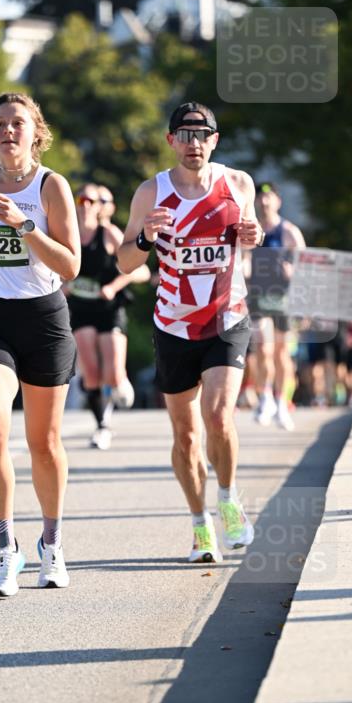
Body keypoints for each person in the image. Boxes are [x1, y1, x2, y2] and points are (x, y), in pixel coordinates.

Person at [118, 101, 264, 564]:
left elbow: (250, 244)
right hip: (174, 324)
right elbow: (124, 262)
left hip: (226, 316)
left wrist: (253, 237)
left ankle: (229, 497)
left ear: (215, 141)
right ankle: (200, 524)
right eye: (184, 135)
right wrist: (144, 238)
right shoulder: (150, 192)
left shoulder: (238, 184)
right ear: (170, 141)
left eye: (202, 135)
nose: (193, 143)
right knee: (185, 436)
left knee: (219, 415)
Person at [0, 92, 80, 598]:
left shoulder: (53, 187)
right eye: (0, 124)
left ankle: (51, 543)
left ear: (36, 133)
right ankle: (6, 551)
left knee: (44, 444)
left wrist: (24, 225)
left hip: (44, 320)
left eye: (18, 124)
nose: (8, 131)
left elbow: (71, 265)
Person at [65, 182, 149, 450]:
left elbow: (137, 267)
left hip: (109, 310)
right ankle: (102, 425)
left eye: (91, 201)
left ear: (100, 207)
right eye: (81, 200)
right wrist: (61, 283)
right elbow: (51, 266)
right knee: (90, 372)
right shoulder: (66, 235)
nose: (86, 206)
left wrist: (113, 287)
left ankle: (119, 381)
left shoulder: (109, 233)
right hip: (80, 309)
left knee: (112, 374)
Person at [247, 182, 306, 429]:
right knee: (263, 348)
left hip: (283, 299)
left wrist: (293, 272)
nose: (264, 202)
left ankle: (282, 403)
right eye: (260, 197)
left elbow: (308, 265)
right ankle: (266, 397)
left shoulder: (289, 231)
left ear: (278, 201)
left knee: (281, 353)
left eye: (269, 197)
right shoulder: (251, 230)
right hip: (258, 297)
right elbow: (242, 259)